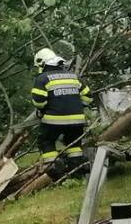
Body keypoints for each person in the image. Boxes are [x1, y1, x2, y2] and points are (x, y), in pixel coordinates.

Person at [31, 48, 91, 177]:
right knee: (74, 144)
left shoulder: (42, 78)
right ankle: (77, 171)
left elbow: (38, 102)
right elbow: (88, 97)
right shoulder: (73, 76)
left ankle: (55, 171)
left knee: (46, 141)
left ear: (43, 64)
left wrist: (43, 111)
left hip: (53, 120)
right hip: (77, 120)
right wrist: (77, 106)